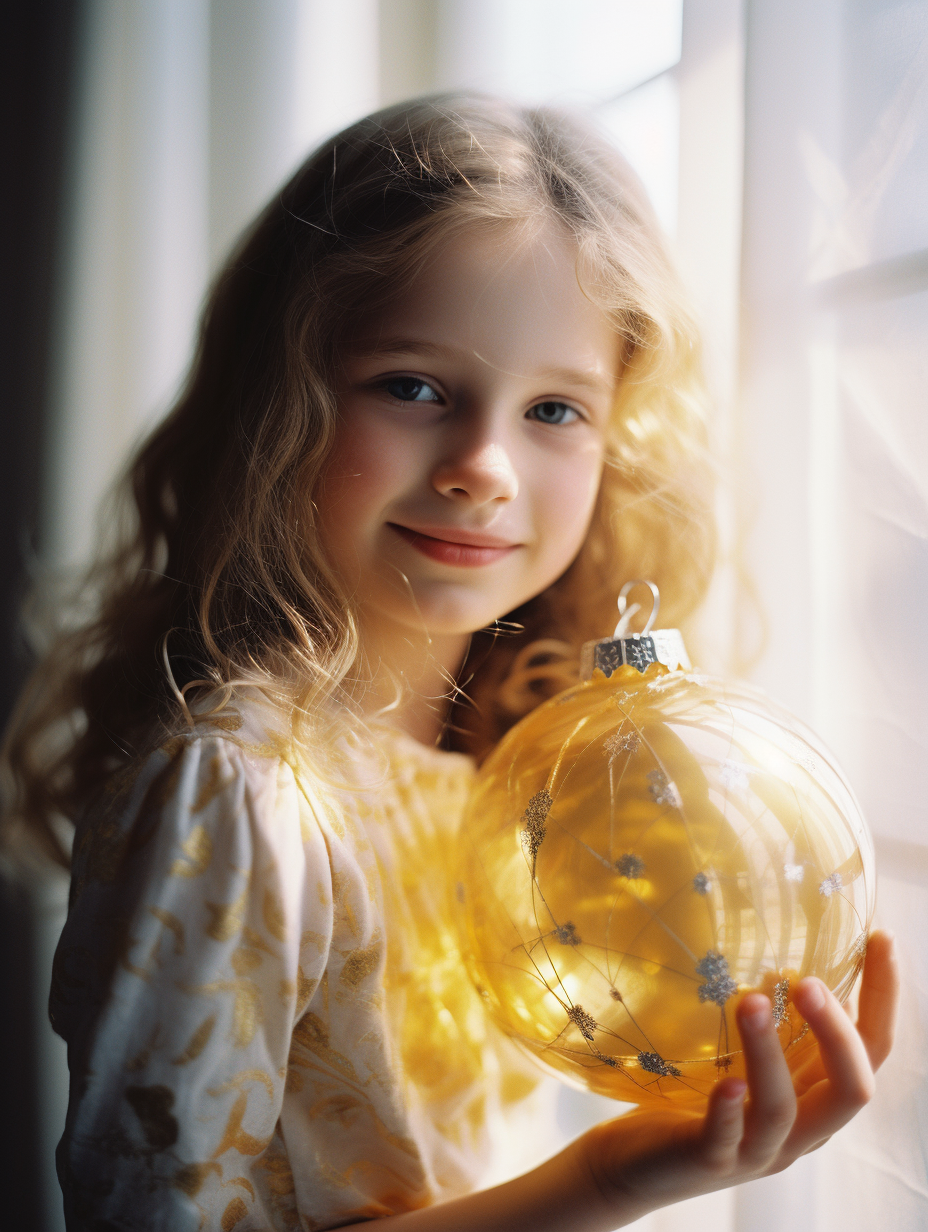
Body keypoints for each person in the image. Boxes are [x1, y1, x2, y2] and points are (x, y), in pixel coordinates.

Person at [3, 95, 898, 1231]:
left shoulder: (526, 774)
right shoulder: (239, 793)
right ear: (281, 395)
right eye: (414, 386)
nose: (482, 463)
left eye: (555, 408)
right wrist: (603, 1181)